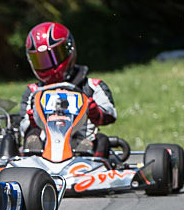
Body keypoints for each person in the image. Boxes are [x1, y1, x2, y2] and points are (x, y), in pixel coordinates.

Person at [19, 21, 117, 157]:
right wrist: (34, 120)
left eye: (54, 57)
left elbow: (111, 114)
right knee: (30, 136)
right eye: (42, 61)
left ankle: (86, 152)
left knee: (102, 140)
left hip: (84, 147)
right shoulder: (33, 91)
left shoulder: (92, 86)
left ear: (69, 50)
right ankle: (33, 154)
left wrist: (95, 112)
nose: (49, 66)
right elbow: (22, 124)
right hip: (43, 151)